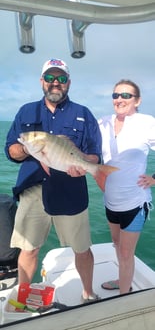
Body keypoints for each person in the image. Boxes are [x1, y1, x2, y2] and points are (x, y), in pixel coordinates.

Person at [5, 58, 102, 303]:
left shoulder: (83, 113)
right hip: (32, 191)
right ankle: (23, 297)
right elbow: (11, 150)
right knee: (29, 248)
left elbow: (94, 153)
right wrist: (30, 148)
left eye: (60, 78)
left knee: (81, 248)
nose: (55, 83)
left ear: (68, 82)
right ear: (42, 82)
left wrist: (85, 164)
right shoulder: (26, 111)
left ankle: (88, 293)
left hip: (71, 191)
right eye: (50, 78)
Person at [98, 79, 155, 294]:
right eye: (115, 95)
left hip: (135, 201)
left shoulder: (146, 122)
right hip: (110, 200)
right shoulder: (103, 122)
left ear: (137, 100)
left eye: (126, 95)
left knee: (125, 251)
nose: (119, 99)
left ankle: (124, 295)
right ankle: (124, 279)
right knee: (116, 243)